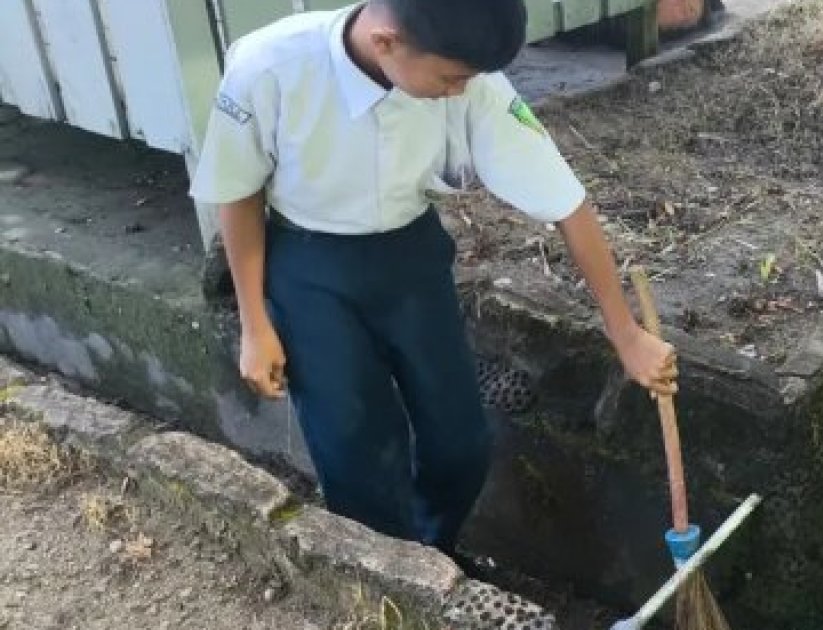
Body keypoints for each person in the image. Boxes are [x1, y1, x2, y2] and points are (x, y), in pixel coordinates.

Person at [189, 0, 678, 562]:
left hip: (411, 261)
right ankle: (390, 581)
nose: (458, 92)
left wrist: (625, 333)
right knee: (355, 453)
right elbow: (238, 192)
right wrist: (255, 323)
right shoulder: (268, 66)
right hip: (310, 270)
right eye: (449, 78)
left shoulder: (470, 83)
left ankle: (433, 554)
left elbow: (567, 203)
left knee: (463, 445)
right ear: (386, 42)